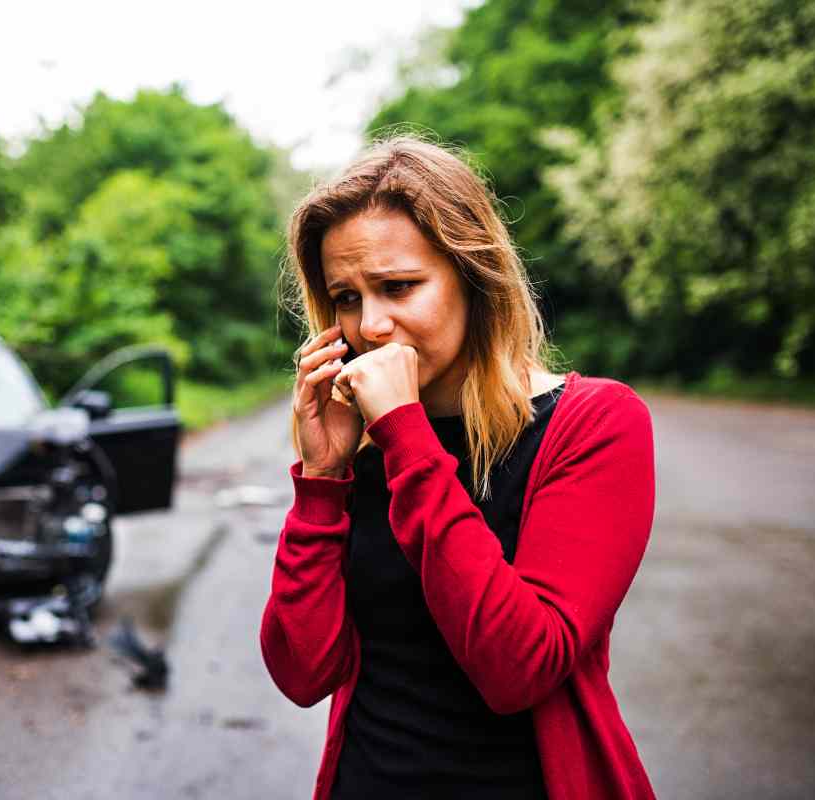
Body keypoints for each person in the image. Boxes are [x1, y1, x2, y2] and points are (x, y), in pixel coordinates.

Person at [260, 136, 657, 800]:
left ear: (475, 277)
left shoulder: (592, 424)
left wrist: (407, 438)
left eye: (398, 287)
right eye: (347, 298)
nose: (371, 325)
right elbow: (302, 672)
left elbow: (519, 668)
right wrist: (323, 480)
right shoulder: (360, 444)